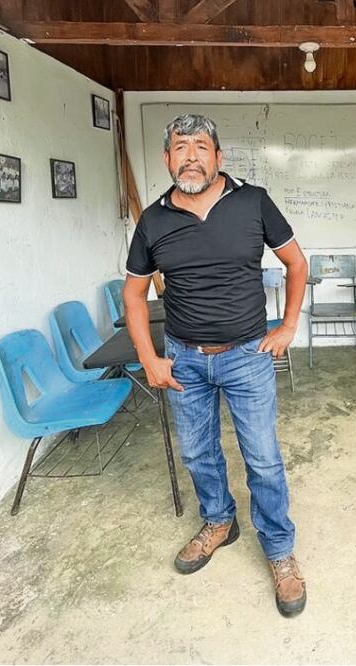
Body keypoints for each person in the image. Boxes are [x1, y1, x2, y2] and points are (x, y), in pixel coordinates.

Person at [122, 114, 310, 618]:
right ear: (167, 159)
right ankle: (219, 522)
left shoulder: (253, 201)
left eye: (201, 146)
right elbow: (134, 294)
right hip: (183, 359)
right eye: (180, 146)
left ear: (218, 156)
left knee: (263, 458)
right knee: (199, 454)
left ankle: (279, 550)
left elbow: (297, 263)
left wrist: (288, 325)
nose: (191, 156)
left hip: (248, 356)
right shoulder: (154, 220)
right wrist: (148, 357)